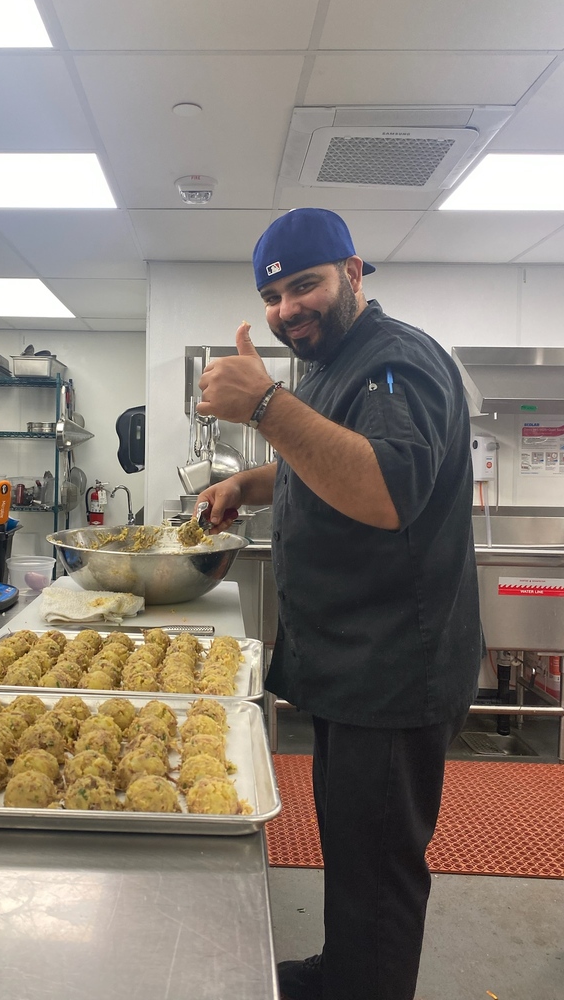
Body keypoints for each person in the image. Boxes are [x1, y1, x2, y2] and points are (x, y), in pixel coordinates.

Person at [194, 208, 482, 1000]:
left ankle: (368, 981)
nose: (288, 308)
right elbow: (318, 459)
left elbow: (386, 488)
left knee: (381, 866)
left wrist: (261, 407)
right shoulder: (330, 364)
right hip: (348, 663)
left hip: (390, 667)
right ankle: (345, 969)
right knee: (353, 846)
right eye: (274, 294)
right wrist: (246, 483)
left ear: (354, 274)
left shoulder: (393, 364)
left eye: (306, 285)